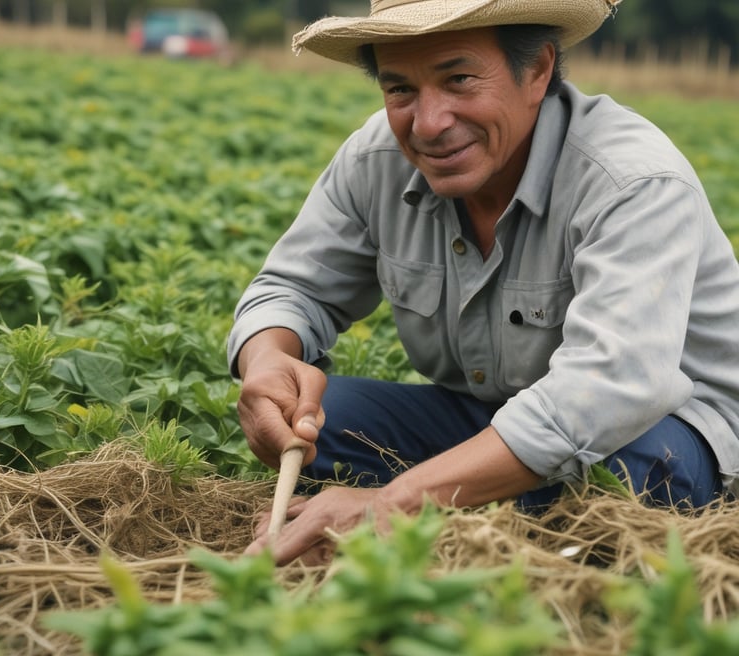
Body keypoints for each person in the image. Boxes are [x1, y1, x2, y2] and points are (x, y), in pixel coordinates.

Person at [228, 0, 739, 565]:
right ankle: (475, 506)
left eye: (459, 79)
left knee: (626, 478)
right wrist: (267, 360)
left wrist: (394, 503)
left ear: (538, 70)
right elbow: (293, 289)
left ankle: (447, 519)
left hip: (662, 433)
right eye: (400, 90)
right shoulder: (376, 159)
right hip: (494, 416)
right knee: (326, 425)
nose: (429, 122)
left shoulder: (631, 181)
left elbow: (608, 390)